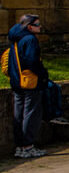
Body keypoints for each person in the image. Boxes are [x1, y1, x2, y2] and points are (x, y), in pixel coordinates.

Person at [7, 14, 49, 158]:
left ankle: (20, 146)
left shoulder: (15, 38)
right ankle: (28, 146)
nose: (40, 27)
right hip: (30, 81)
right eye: (37, 25)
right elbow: (32, 61)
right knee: (31, 113)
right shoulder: (30, 39)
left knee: (19, 114)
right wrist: (43, 73)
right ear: (30, 26)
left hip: (17, 80)